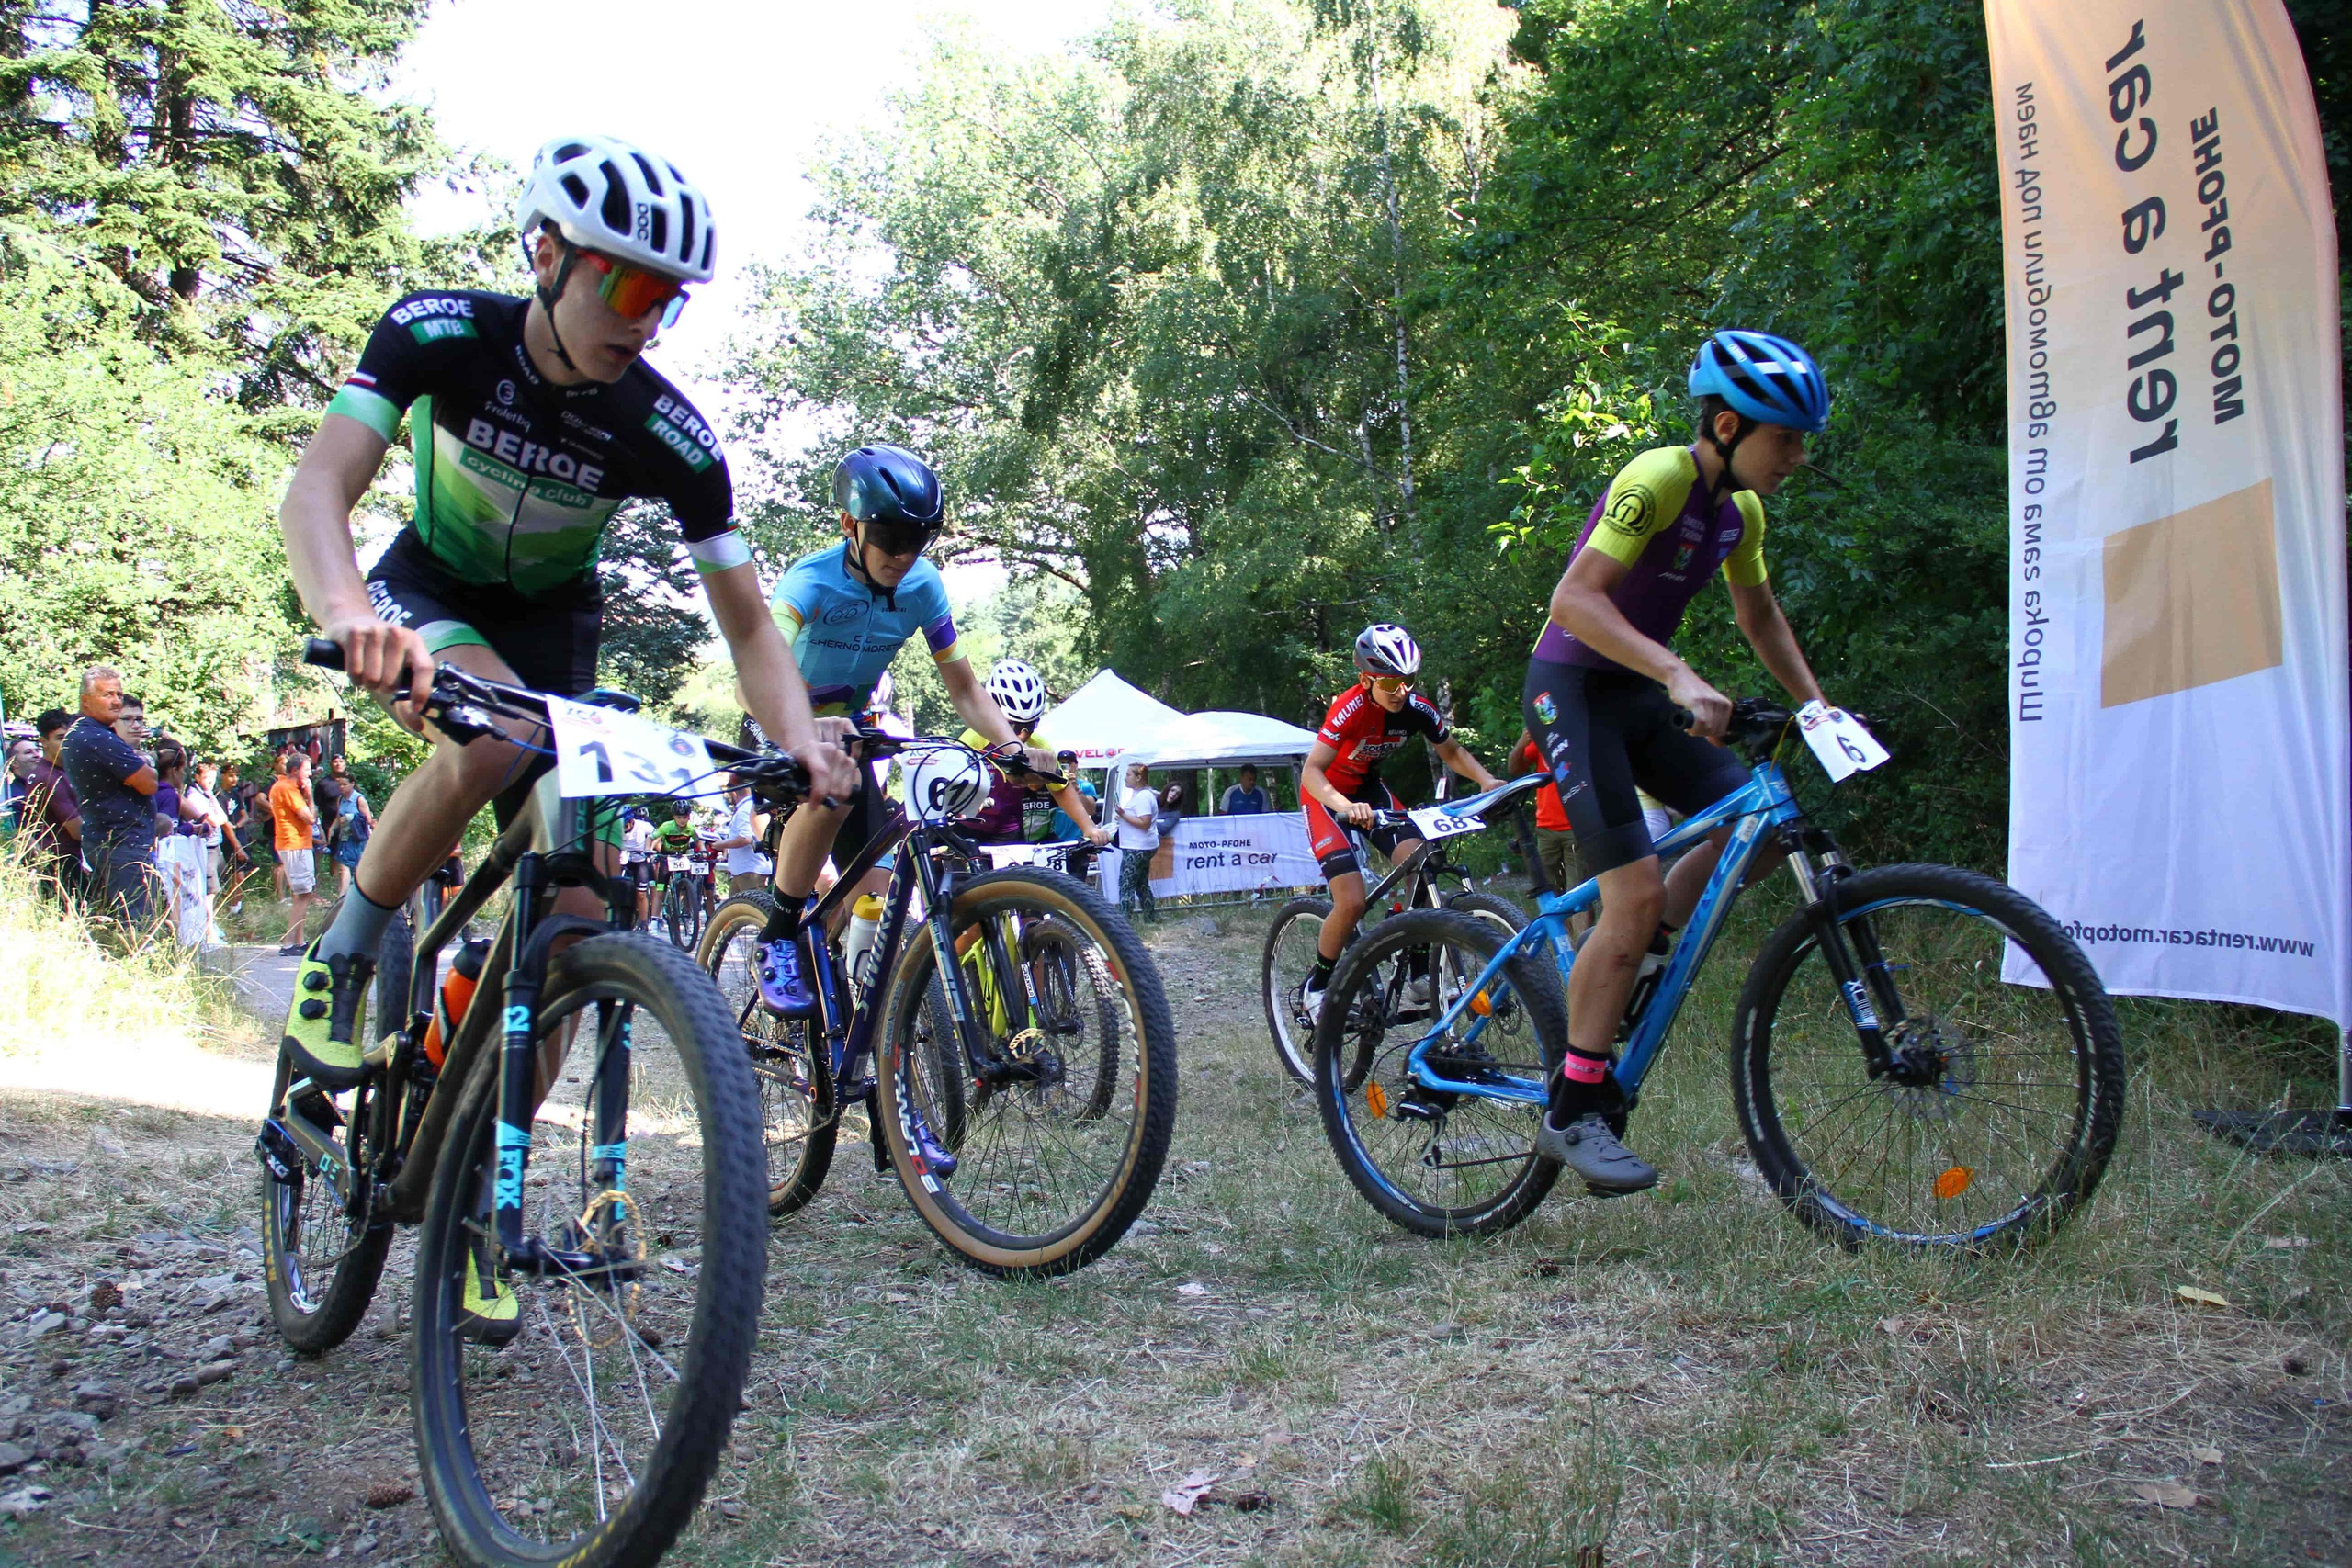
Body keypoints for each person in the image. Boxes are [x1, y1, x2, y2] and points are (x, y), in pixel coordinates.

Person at [271, 123, 855, 1242]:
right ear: (546, 254)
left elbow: (744, 619)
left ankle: (470, 1197)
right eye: (631, 288)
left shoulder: (667, 435)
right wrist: (348, 617)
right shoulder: (439, 333)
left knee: (572, 921)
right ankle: (342, 956)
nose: (646, 323)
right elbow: (317, 493)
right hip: (427, 591)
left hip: (554, 638)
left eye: (669, 302)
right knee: (488, 739)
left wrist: (805, 742)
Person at [1523, 329, 1836, 1193]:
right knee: (1631, 890)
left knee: (1761, 830)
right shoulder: (1658, 477)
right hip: (1572, 688)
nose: (1798, 458)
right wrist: (1676, 671)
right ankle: (1574, 1109)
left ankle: (1640, 951)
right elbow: (1573, 600)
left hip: (1634, 695)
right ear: (1731, 426)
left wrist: (1816, 702)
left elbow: (1760, 615)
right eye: (1788, 439)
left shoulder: (1743, 514)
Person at [754, 444, 1052, 1018]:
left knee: (879, 887)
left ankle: (857, 1001)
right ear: (850, 524)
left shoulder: (922, 586)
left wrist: (1013, 749)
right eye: (890, 537)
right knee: (832, 790)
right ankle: (779, 933)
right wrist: (799, 728)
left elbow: (966, 691)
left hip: (853, 733)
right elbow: (757, 673)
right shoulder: (809, 582)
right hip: (783, 724)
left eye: (920, 540)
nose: (903, 554)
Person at [1295, 625, 1498, 1022]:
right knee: (1351, 900)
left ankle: (1417, 971)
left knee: (1424, 861)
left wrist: (1487, 780)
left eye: (1408, 680)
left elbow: (1451, 750)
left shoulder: (1417, 709)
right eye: (1390, 681)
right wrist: (1343, 805)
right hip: (1327, 796)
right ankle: (1317, 985)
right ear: (1365, 679)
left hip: (1370, 790)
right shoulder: (1350, 709)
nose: (1400, 690)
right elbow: (1311, 772)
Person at [956, 661, 1112, 850]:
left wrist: (1089, 828)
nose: (1022, 735)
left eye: (1029, 726)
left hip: (1007, 831)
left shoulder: (1040, 746)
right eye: (1013, 725)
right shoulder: (972, 740)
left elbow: (1061, 788)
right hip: (964, 827)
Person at [60, 667, 159, 931]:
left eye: (119, 693)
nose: (116, 700)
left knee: (119, 922)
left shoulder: (83, 732)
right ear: (85, 701)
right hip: (120, 843)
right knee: (137, 925)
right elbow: (149, 783)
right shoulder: (97, 738)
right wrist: (148, 767)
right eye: (107, 694)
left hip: (110, 841)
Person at [25, 710, 83, 903]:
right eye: (59, 738)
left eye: (69, 737)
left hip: (70, 859)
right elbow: (77, 830)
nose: (66, 744)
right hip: (61, 863)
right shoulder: (48, 776)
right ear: (43, 741)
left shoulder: (64, 771)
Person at [268, 754, 319, 956]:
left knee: (304, 893)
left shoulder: (282, 787)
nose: (310, 773)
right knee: (303, 894)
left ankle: (299, 940)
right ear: (295, 770)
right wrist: (311, 796)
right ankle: (289, 943)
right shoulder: (287, 788)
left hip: (295, 843)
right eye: (307, 769)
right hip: (294, 844)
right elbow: (310, 818)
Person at [1114, 761, 1160, 922]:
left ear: (1139, 777)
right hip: (1141, 846)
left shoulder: (1143, 797)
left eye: (1128, 775)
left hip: (1136, 847)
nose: (1126, 778)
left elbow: (1144, 822)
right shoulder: (1142, 795)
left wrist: (1123, 814)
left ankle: (1124, 921)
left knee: (1126, 884)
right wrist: (1123, 816)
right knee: (1141, 883)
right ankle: (1150, 917)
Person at [713, 776, 772, 896]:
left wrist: (721, 845)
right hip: (742, 871)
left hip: (750, 871)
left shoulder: (745, 809)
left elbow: (745, 838)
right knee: (733, 910)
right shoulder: (750, 806)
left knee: (754, 910)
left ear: (734, 794)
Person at [1045, 750, 1099, 842]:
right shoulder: (1051, 785)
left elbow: (1091, 810)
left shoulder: (1085, 786)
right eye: (1061, 764)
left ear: (1075, 765)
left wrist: (1076, 789)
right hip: (1052, 840)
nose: (1065, 767)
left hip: (1077, 840)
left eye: (1068, 764)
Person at [620, 806, 658, 925]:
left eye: (626, 826)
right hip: (623, 859)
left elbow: (658, 835)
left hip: (639, 860)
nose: (624, 829)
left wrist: (650, 848)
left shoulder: (642, 826)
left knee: (641, 894)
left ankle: (644, 923)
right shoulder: (617, 828)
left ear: (632, 821)